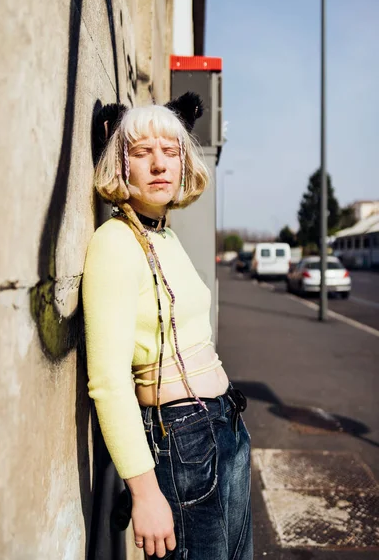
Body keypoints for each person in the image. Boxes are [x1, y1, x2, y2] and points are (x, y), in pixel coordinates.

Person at [82, 92, 253, 560]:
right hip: (182, 441)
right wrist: (144, 491)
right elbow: (109, 383)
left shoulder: (166, 235)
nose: (159, 164)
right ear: (122, 165)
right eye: (142, 153)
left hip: (225, 425)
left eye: (170, 152)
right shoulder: (115, 244)